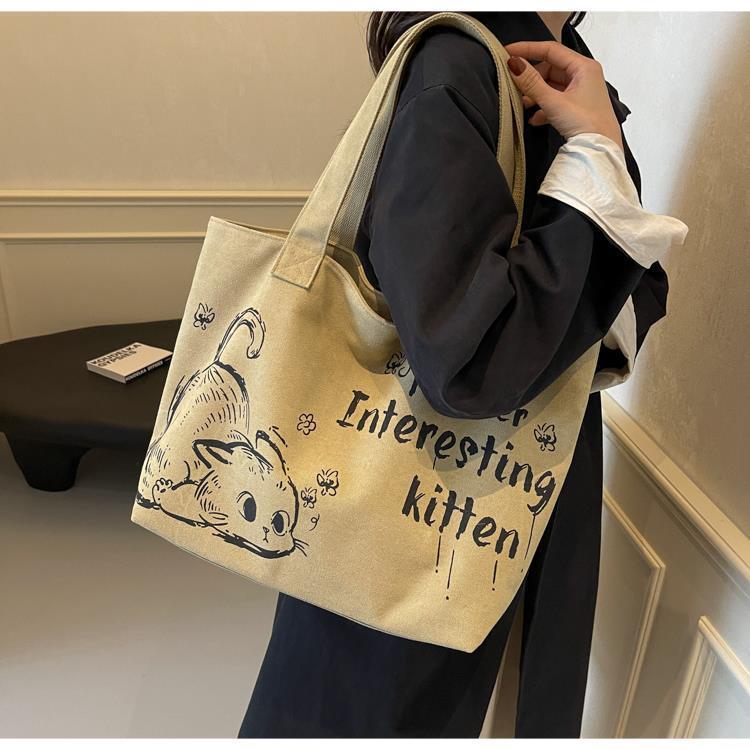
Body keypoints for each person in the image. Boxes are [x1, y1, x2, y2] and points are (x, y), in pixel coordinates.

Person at [237, 10, 687, 738]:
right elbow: (473, 359)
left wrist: (598, 180)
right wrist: (597, 157)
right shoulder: (457, 65)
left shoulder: (564, 66)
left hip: (507, 500)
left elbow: (640, 285)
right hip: (427, 517)